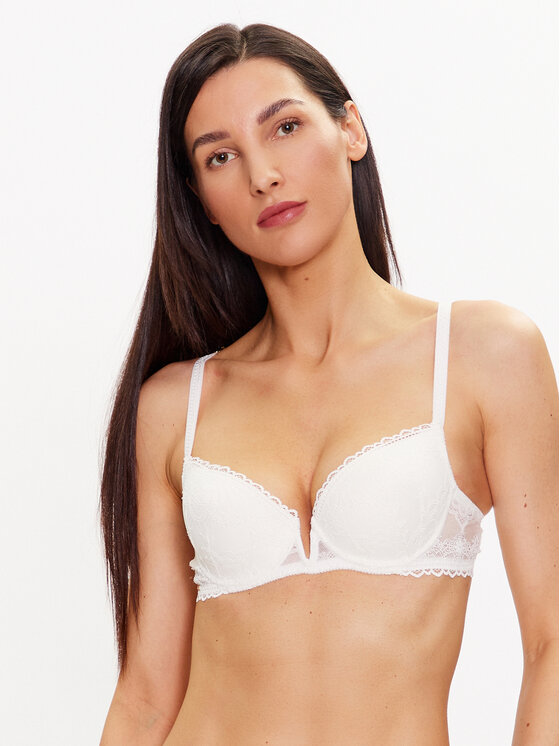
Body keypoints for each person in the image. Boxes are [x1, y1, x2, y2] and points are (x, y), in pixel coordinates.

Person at [99, 22, 558, 745]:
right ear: (202, 200)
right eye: (221, 156)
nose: (262, 175)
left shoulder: (484, 355)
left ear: (350, 129)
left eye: (284, 127)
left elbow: (552, 641)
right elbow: (148, 696)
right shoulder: (173, 406)